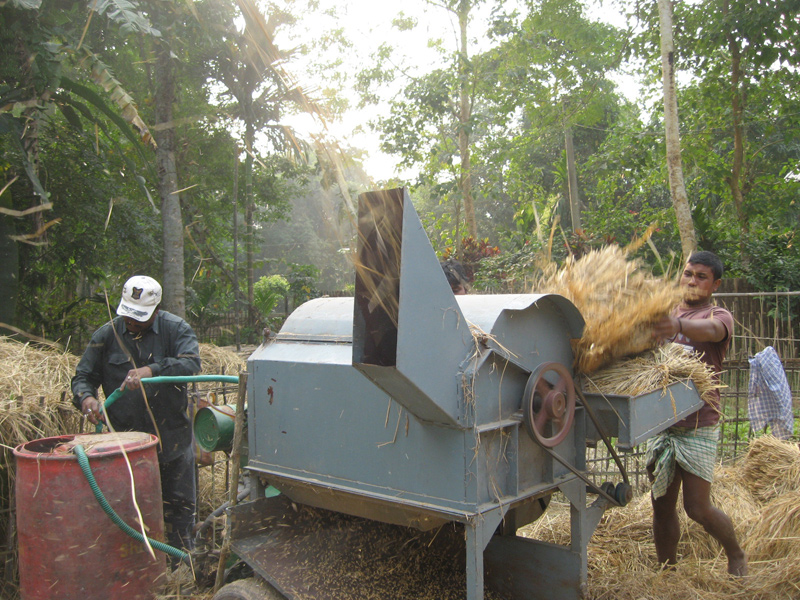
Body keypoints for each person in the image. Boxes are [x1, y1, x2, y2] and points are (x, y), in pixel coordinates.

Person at [72, 275, 202, 556]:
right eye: (128, 317)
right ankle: (139, 565)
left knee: (180, 510)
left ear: (156, 310)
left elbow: (191, 364)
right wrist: (87, 398)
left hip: (173, 440)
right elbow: (83, 376)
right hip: (126, 444)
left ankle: (183, 566)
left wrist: (153, 370)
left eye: (139, 318)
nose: (132, 323)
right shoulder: (106, 335)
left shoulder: (176, 329)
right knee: (132, 509)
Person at [647, 251, 747, 576]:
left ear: (715, 284)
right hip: (663, 422)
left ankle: (736, 555)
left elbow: (712, 331)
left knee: (697, 508)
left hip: (698, 425)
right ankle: (667, 572)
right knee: (661, 506)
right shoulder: (666, 312)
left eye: (701, 276)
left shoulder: (718, 315)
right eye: (688, 273)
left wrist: (676, 325)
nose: (692, 280)